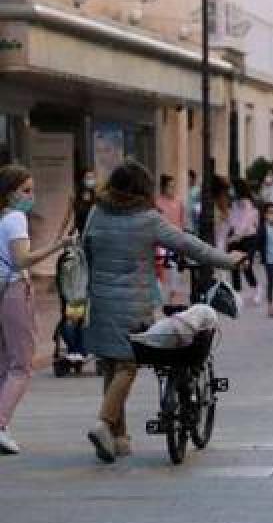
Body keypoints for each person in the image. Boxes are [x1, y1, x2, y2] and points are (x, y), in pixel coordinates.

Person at [83, 160, 243, 463]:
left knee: (111, 365)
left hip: (101, 299)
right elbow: (189, 245)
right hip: (133, 302)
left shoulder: (97, 213)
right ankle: (104, 424)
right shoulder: (147, 219)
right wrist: (227, 260)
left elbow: (85, 248)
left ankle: (120, 438)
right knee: (127, 365)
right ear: (142, 189)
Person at [0, 166, 75, 454]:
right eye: (26, 191)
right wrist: (58, 245)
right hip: (16, 290)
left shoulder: (3, 217)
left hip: (3, 290)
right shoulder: (16, 218)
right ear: (10, 193)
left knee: (5, 361)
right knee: (22, 363)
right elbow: (21, 261)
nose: (31, 197)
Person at [225, 179, 261, 304]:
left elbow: (247, 220)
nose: (231, 191)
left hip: (248, 237)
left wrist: (238, 235)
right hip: (236, 237)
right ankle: (237, 292)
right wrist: (231, 234)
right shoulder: (235, 203)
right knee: (234, 265)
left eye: (233, 188)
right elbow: (232, 219)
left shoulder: (247, 203)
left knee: (246, 265)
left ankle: (256, 288)